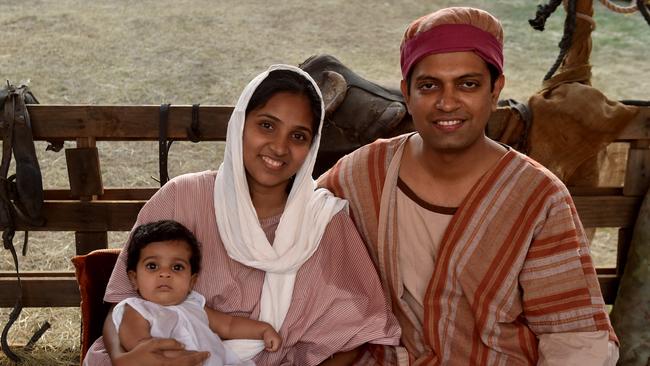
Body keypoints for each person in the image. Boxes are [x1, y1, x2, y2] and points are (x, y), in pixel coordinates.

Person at [318, 7, 619, 365]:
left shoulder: (538, 197)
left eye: (468, 84)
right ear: (407, 94)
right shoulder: (362, 174)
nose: (447, 103)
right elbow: (287, 238)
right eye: (429, 86)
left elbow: (573, 336)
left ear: (495, 91)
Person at [83, 64, 401, 366]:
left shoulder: (324, 222)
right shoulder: (181, 198)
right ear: (240, 124)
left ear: (312, 145)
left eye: (298, 136)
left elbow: (355, 335)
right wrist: (124, 357)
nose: (279, 147)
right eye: (267, 125)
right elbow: (123, 303)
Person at [115, 219, 281, 366]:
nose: (165, 273)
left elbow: (228, 325)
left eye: (177, 267)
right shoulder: (136, 310)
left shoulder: (195, 304)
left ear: (191, 281)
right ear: (134, 278)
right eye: (152, 266)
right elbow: (139, 346)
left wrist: (263, 330)